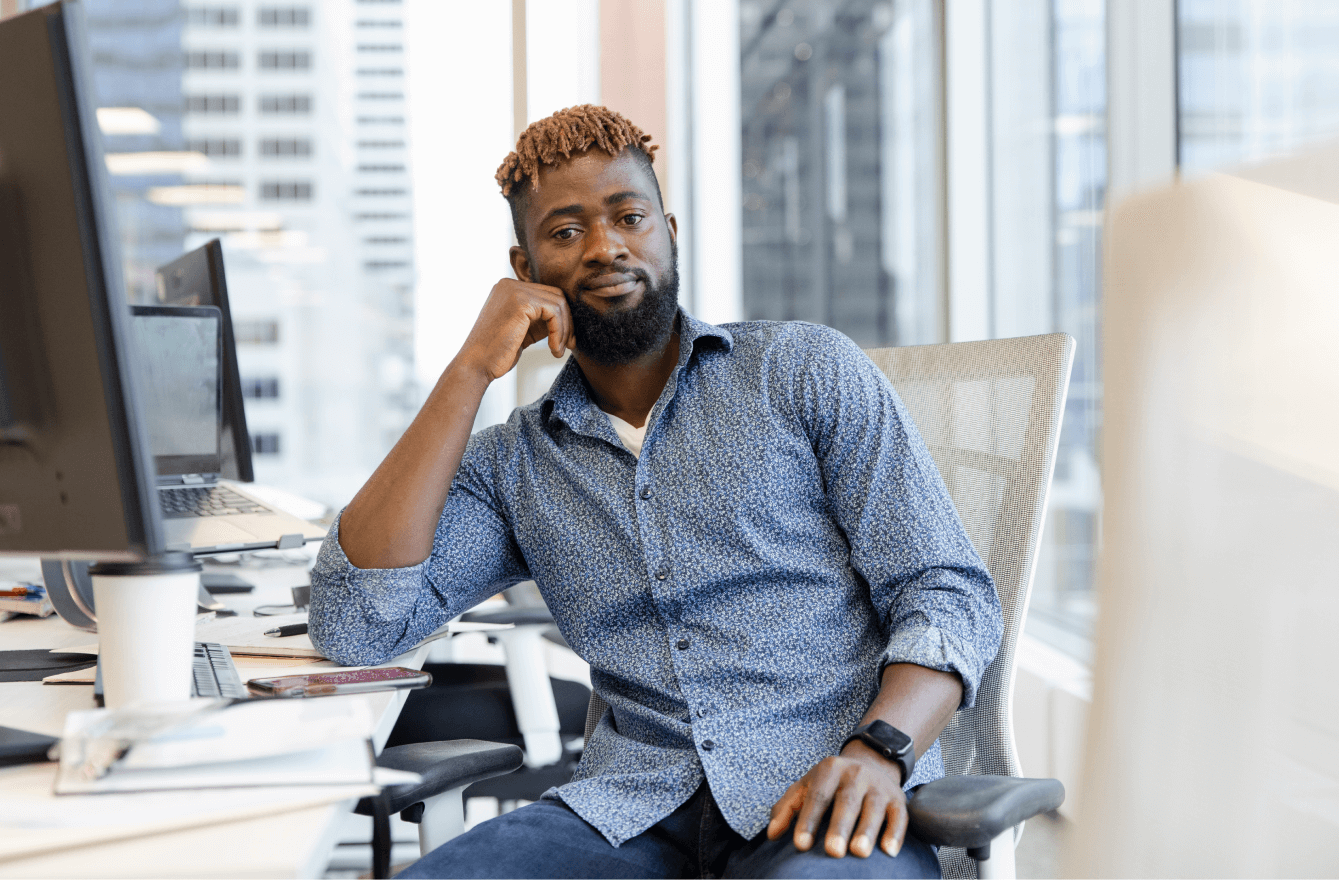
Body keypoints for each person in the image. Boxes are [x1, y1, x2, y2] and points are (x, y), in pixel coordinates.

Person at [310, 105, 1002, 879]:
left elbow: (946, 593)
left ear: (668, 230)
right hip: (626, 814)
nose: (605, 247)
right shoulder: (515, 467)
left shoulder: (802, 370)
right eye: (566, 232)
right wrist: (469, 370)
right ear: (525, 268)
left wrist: (879, 751)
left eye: (628, 217)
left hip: (826, 798)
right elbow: (355, 626)